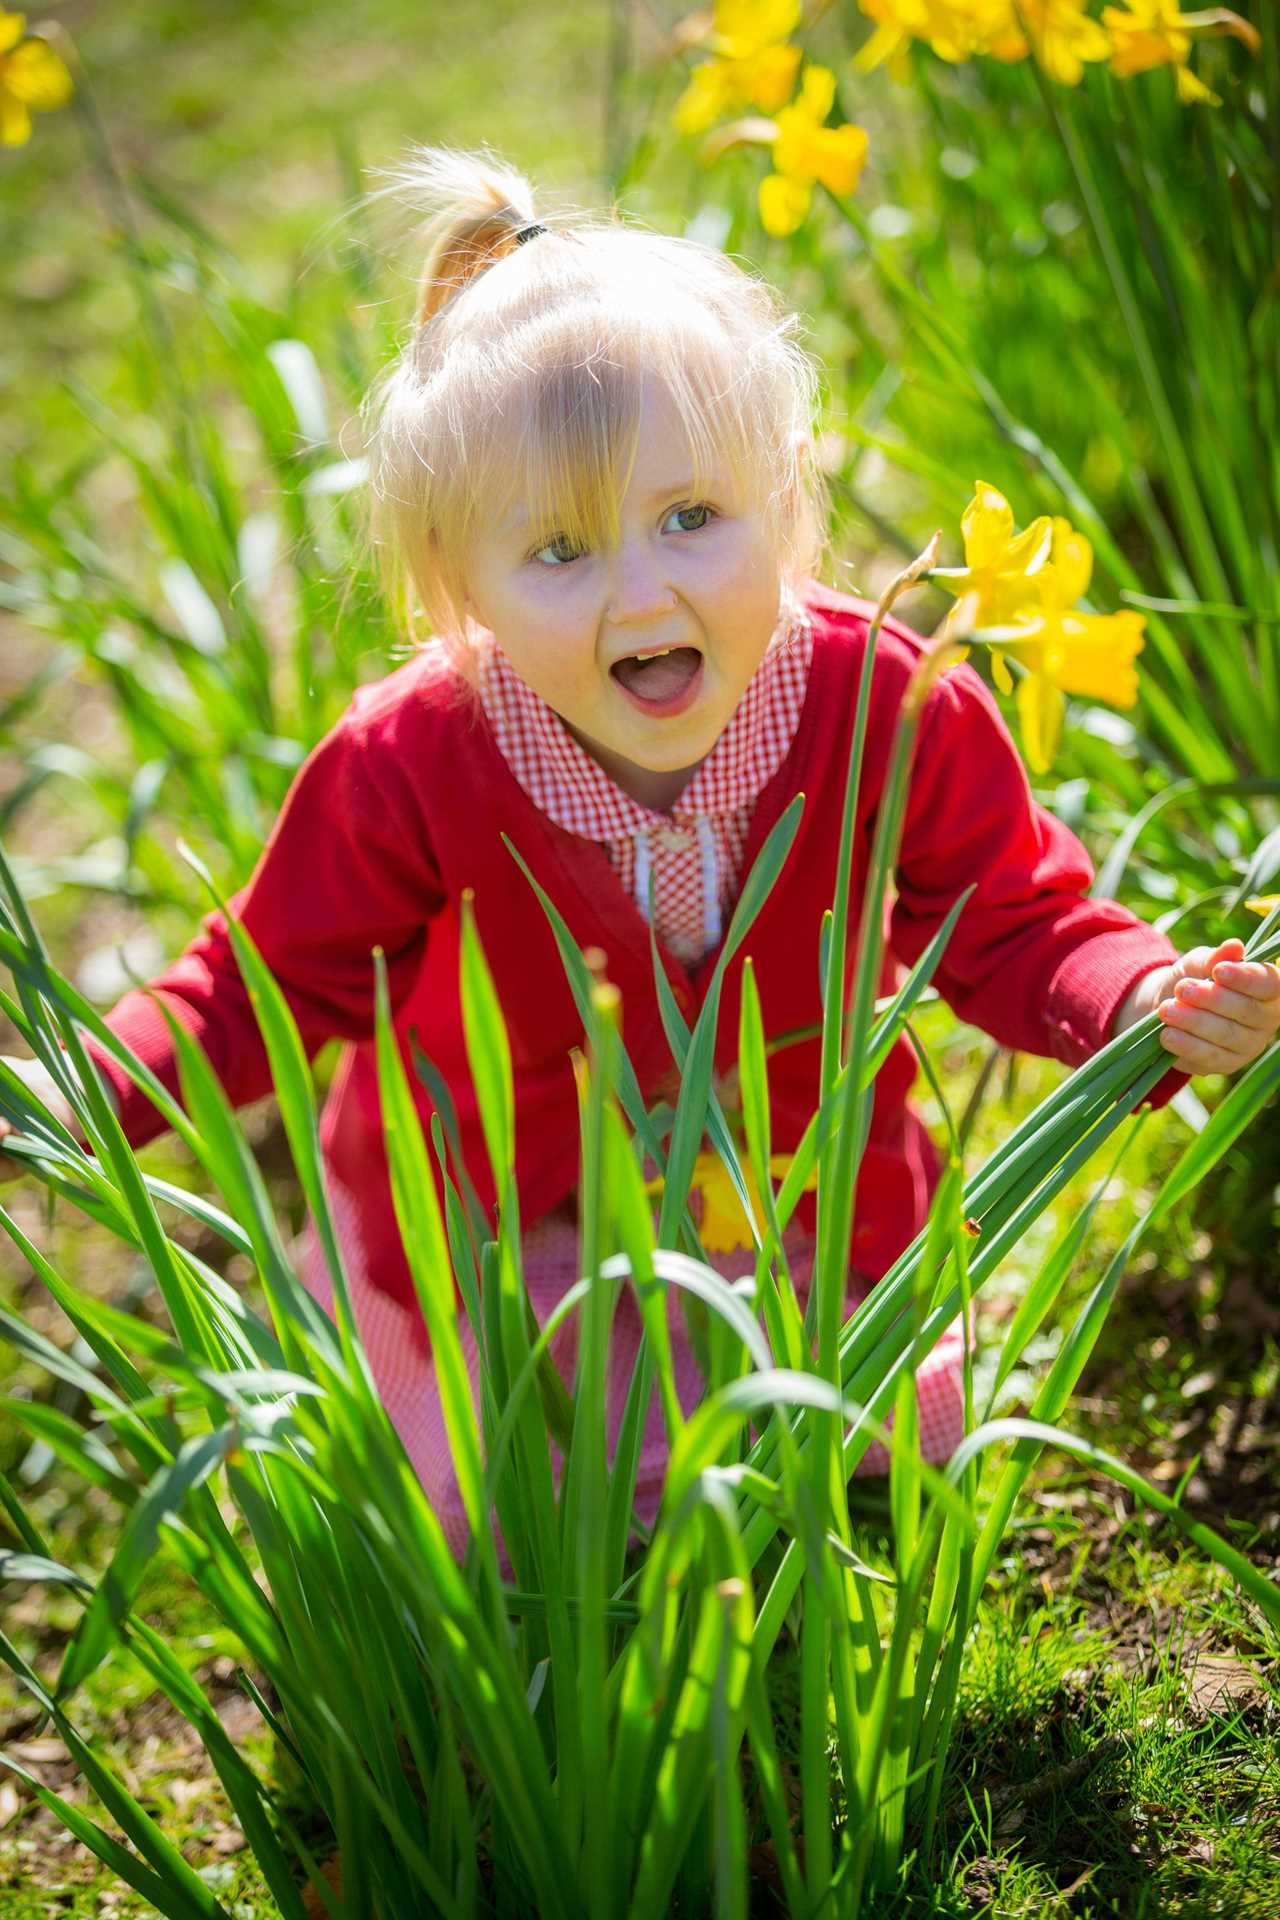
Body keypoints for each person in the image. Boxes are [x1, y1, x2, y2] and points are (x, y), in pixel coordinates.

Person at [3, 146, 1279, 1565]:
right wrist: (72, 1100)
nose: (643, 588)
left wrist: (1140, 999)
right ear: (453, 585)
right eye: (558, 550)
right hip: (504, 1218)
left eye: (691, 519)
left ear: (788, 500)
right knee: (513, 1507)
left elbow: (1017, 918)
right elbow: (253, 987)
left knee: (835, 1443)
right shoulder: (414, 762)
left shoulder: (886, 706)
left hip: (793, 1184)